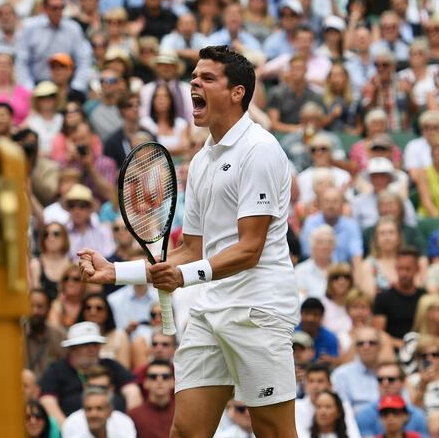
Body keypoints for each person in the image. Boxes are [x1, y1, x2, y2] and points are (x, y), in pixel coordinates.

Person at [80, 45, 299, 436]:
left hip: (257, 310)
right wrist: (116, 272)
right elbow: (188, 251)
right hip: (209, 308)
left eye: (208, 78)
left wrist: (184, 278)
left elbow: (250, 249)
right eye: (194, 77)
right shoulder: (200, 161)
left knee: (274, 432)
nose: (194, 82)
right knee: (186, 431)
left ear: (238, 93)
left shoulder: (261, 150)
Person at [355, 361, 428, 437]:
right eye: (380, 380)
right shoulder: (366, 414)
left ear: (403, 382)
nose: (385, 383)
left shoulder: (416, 415)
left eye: (391, 379)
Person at [61, 385, 137, 437]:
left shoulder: (123, 423)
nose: (93, 414)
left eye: (99, 408)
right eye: (88, 409)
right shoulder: (71, 424)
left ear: (110, 411)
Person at [127, 359, 176, 438]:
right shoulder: (133, 415)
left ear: (173, 382)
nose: (159, 380)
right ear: (145, 383)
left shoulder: (181, 413)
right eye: (153, 377)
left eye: (165, 376)